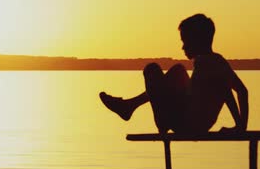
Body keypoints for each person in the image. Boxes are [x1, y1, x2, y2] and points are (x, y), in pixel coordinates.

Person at [99, 14, 248, 134]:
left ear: (197, 41)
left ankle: (130, 107)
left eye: (185, 41)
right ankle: (129, 106)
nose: (183, 47)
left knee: (152, 69)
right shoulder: (216, 62)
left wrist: (240, 127)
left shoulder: (207, 63)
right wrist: (240, 125)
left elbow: (231, 91)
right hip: (194, 122)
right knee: (178, 70)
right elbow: (235, 90)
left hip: (185, 123)